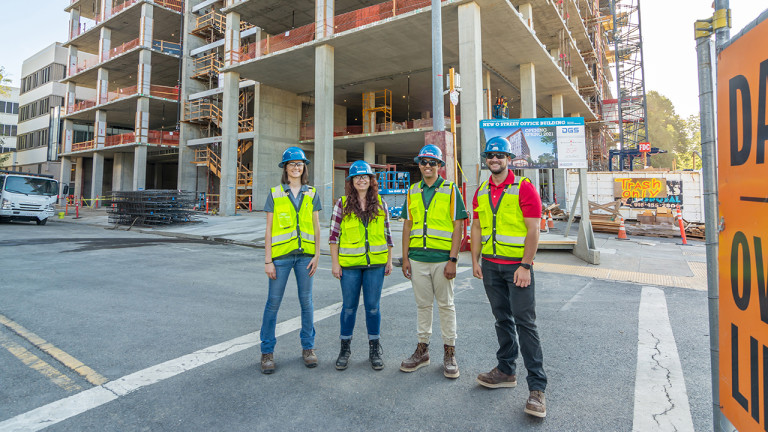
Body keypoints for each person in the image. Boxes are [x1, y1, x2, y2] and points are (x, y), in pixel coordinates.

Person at [470, 136, 547, 418]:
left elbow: (533, 229)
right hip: (491, 266)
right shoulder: (480, 191)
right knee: (502, 319)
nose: (495, 159)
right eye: (490, 155)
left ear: (509, 159)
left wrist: (525, 265)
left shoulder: (523, 188)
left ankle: (537, 389)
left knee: (525, 324)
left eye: (500, 155)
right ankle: (505, 370)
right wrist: (475, 260)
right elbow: (476, 227)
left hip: (517, 267)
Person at [400, 144, 468, 379]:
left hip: (442, 259)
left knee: (446, 305)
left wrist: (453, 259)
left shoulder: (450, 190)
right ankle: (422, 350)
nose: (427, 166)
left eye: (432, 162)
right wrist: (405, 256)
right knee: (423, 306)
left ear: (440, 165)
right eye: (424, 162)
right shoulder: (413, 190)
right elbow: (408, 224)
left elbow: (458, 224)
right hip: (418, 258)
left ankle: (449, 353)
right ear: (419, 164)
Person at [260, 147, 321, 374]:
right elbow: (268, 230)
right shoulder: (275, 193)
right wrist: (268, 260)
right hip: (281, 258)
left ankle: (308, 348)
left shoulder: (312, 193)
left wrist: (317, 255)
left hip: (305, 256)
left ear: (304, 167)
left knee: (307, 302)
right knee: (273, 303)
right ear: (285, 168)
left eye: (300, 164)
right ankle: (267, 352)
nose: (296, 167)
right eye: (292, 164)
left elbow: (316, 227)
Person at [329, 160, 394, 371]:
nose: (362, 180)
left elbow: (388, 235)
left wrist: (389, 260)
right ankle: (344, 349)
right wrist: (335, 264)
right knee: (349, 308)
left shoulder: (380, 203)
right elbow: (333, 237)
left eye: (365, 176)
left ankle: (374, 349)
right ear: (351, 181)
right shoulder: (342, 204)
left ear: (371, 180)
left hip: (376, 264)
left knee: (373, 308)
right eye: (357, 177)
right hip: (349, 266)